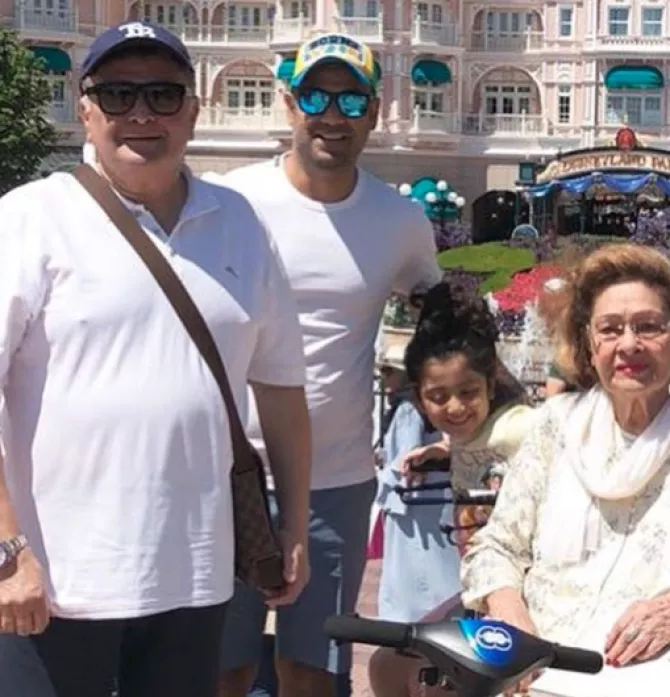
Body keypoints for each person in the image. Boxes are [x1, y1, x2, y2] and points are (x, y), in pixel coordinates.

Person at [0, 21, 311, 697]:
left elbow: (283, 386)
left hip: (194, 575)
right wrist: (6, 550)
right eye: (118, 94)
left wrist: (294, 524)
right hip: (55, 579)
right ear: (86, 109)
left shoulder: (241, 223)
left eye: (163, 95)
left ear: (193, 111)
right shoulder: (28, 219)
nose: (141, 114)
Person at [204, 32, 443, 697]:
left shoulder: (400, 220)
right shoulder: (230, 202)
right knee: (223, 668)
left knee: (313, 670)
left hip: (336, 481)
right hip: (229, 472)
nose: (332, 115)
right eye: (315, 96)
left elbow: (439, 323)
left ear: (375, 112)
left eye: (351, 99)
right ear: (289, 103)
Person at [461, 243, 670, 696]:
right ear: (589, 344)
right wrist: (509, 612)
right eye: (610, 329)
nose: (628, 344)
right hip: (538, 654)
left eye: (649, 326)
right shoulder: (556, 425)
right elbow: (496, 545)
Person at [369, 282, 537, 697]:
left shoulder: (524, 429)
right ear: (420, 399)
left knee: (439, 682)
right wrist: (443, 451)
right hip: (478, 583)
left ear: (490, 386)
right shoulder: (466, 434)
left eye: (468, 393)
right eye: (438, 397)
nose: (456, 407)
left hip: (522, 588)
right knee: (386, 664)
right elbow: (479, 443)